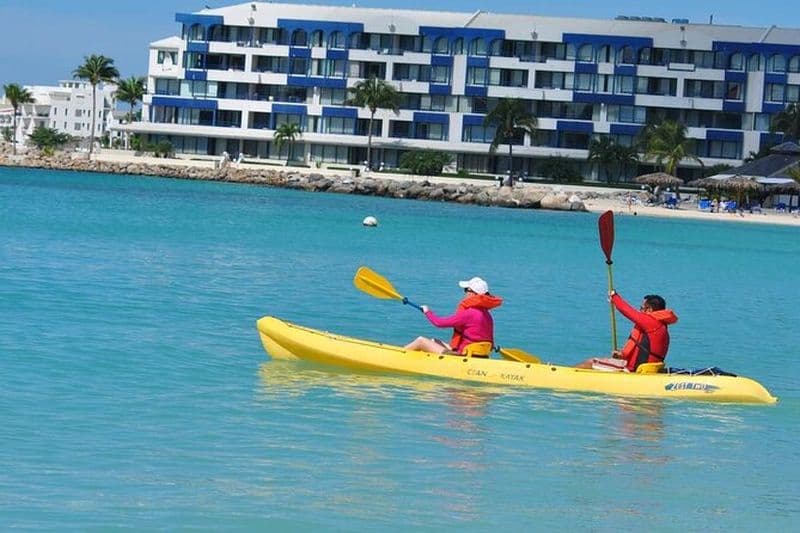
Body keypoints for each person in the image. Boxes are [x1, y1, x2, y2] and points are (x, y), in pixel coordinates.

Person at [577, 290, 678, 372]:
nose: (640, 311)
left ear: (649, 309)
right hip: (644, 368)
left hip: (632, 369)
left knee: (590, 362)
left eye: (641, 308)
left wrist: (614, 297)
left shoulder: (651, 322)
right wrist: (621, 355)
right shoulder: (661, 326)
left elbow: (627, 311)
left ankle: (567, 376)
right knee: (603, 362)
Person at [404, 277, 503, 356]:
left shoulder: (470, 313)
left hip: (462, 355)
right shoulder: (487, 314)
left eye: (466, 290)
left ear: (473, 293)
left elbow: (439, 323)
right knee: (434, 341)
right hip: (478, 354)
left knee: (421, 341)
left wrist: (427, 311)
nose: (465, 293)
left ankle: (399, 355)